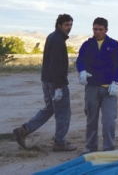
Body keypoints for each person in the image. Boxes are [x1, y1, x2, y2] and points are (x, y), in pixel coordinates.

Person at [13, 14, 77, 152]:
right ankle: (60, 143)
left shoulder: (53, 37)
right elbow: (55, 65)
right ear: (59, 25)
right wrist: (59, 87)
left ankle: (23, 130)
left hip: (47, 80)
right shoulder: (57, 40)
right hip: (55, 82)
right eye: (67, 24)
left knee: (50, 108)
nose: (69, 28)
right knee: (64, 113)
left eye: (71, 25)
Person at [76, 17, 118, 154]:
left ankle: (109, 149)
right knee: (91, 120)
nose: (97, 32)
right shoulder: (87, 45)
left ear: (106, 30)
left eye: (100, 29)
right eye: (95, 29)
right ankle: (91, 148)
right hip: (91, 88)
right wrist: (82, 71)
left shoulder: (113, 44)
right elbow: (80, 61)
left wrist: (116, 82)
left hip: (109, 89)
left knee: (109, 120)